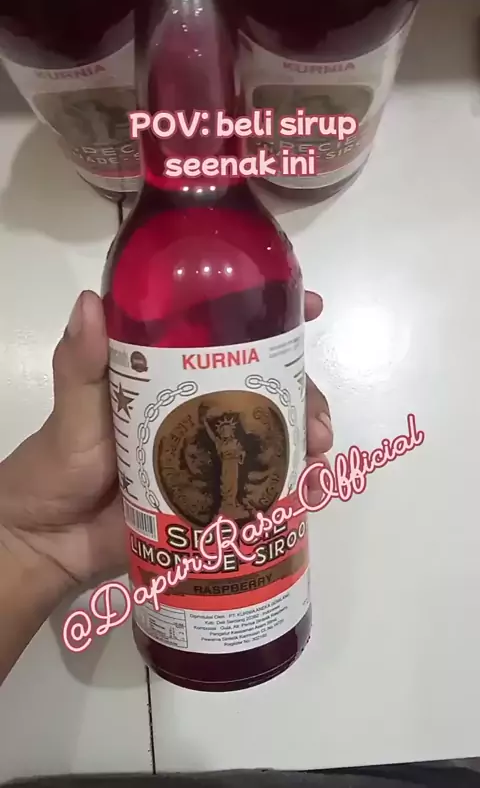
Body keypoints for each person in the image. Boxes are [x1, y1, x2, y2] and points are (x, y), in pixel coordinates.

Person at [0, 289, 333, 686]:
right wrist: (21, 539)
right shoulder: (217, 436)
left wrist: (23, 543)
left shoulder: (234, 440)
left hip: (274, 610)